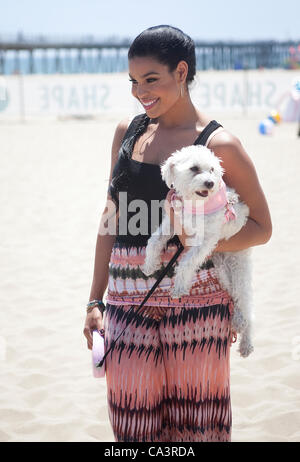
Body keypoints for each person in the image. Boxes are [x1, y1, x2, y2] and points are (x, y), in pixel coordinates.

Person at [83, 25, 272, 442]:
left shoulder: (220, 145)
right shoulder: (127, 133)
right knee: (132, 425)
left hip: (198, 301)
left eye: (152, 79)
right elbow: (111, 216)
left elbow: (261, 228)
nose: (140, 91)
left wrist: (202, 242)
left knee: (198, 425)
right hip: (128, 300)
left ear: (181, 72)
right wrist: (96, 299)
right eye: (134, 81)